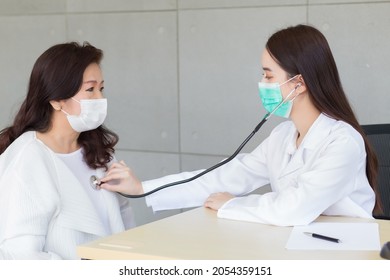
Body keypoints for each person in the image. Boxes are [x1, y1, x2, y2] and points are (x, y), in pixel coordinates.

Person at [99, 24, 382, 227]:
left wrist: (232, 205)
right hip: (299, 245)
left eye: (269, 76)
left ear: (298, 83)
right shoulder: (283, 136)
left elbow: (293, 209)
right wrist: (143, 188)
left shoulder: (342, 141)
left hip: (346, 254)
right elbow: (224, 176)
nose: (263, 84)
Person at [0, 42, 135, 259]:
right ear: (56, 100)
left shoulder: (99, 150)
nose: (100, 99)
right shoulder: (27, 159)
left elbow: (122, 220)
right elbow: (19, 256)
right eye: (90, 89)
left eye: (101, 88)